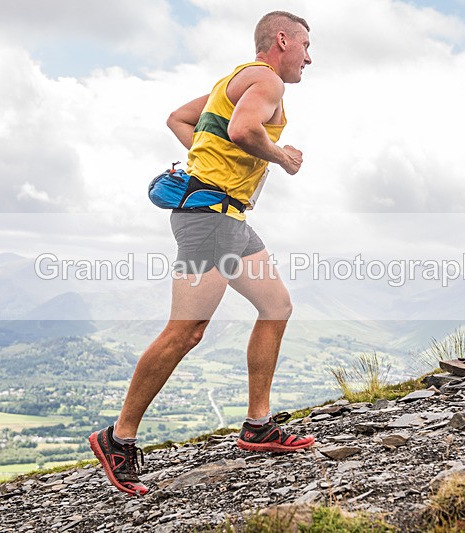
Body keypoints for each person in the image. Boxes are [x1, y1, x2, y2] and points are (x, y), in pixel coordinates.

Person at [89, 11, 314, 496]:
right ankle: (118, 438)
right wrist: (281, 156)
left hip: (228, 220)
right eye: (305, 46)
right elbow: (242, 131)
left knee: (276, 306)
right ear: (282, 41)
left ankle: (258, 426)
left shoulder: (231, 81)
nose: (309, 58)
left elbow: (180, 118)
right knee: (186, 330)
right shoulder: (267, 81)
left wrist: (208, 162)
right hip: (210, 221)